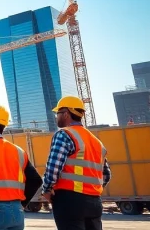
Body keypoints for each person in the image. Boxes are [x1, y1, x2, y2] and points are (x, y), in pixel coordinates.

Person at [42, 96, 111, 230]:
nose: (56, 117)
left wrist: (47, 189)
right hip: (95, 202)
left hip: (70, 200)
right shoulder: (96, 142)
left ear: (66, 114)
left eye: (58, 113)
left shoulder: (64, 134)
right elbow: (106, 175)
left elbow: (53, 168)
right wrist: (91, 190)